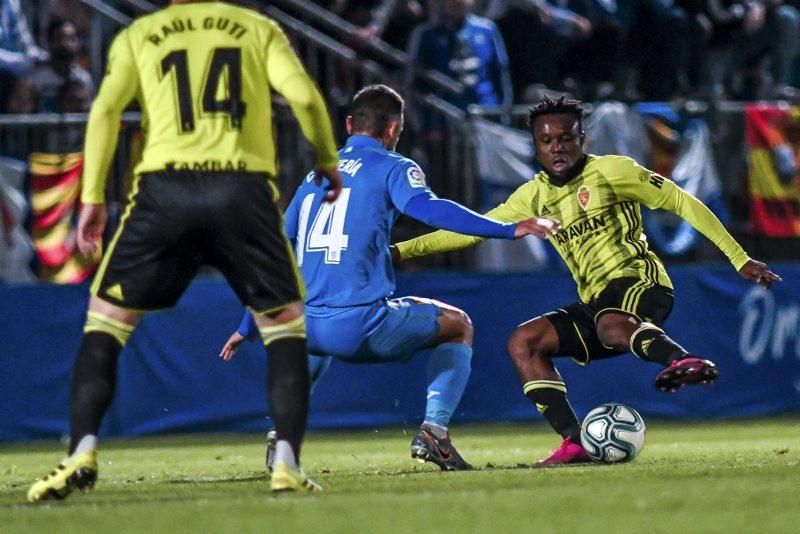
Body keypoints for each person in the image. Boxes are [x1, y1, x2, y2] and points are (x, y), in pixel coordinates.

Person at [28, 0, 343, 502]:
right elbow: (305, 99)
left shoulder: (143, 33)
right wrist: (327, 160)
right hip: (243, 189)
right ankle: (285, 462)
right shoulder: (257, 29)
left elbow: (106, 110)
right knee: (284, 326)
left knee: (105, 322)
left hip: (164, 191)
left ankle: (81, 452)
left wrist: (90, 198)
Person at [393, 96, 782, 467]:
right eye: (546, 141)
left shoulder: (613, 171)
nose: (556, 148)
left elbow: (682, 201)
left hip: (641, 282)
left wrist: (739, 258)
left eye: (565, 138)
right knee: (524, 342)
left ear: (583, 139)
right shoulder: (531, 197)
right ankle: (575, 440)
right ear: (535, 146)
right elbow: (469, 231)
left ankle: (681, 359)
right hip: (598, 303)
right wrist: (397, 252)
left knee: (610, 323)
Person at [220, 84, 557, 471]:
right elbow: (429, 209)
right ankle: (435, 432)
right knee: (458, 325)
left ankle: (282, 436)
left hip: (306, 325)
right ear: (394, 128)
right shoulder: (395, 167)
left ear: (349, 124)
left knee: (311, 342)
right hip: (360, 325)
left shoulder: (316, 176)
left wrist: (247, 323)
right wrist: (508, 229)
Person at [28, 18, 95, 112]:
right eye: (59, 38)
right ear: (49, 43)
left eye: (71, 39)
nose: (65, 44)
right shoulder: (35, 79)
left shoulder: (84, 78)